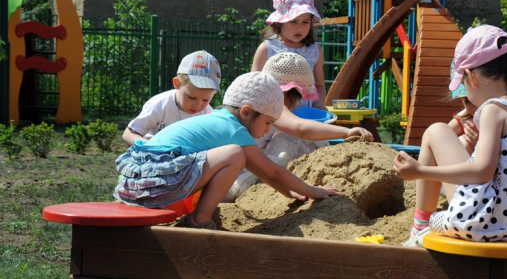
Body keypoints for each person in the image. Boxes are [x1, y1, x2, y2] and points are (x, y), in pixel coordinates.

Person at [393, 25, 507, 247]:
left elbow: (482, 171)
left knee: (436, 131)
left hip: (484, 223)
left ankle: (419, 229)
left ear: (472, 77)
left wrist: (420, 171)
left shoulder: (492, 109)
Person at [114, 71, 340, 229]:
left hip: (138, 180)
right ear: (246, 112)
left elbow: (259, 169)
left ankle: (197, 216)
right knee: (234, 154)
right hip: (157, 178)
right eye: (267, 123)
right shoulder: (234, 130)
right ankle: (199, 220)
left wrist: (288, 193)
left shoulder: (219, 119)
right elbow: (272, 170)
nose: (267, 130)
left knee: (237, 156)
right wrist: (312, 190)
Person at [223, 52, 373, 201]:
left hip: (241, 172)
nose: (295, 105)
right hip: (243, 179)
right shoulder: (270, 105)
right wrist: (346, 132)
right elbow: (300, 128)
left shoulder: (252, 107)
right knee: (298, 139)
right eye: (295, 99)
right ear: (287, 93)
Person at [251, 0, 328, 110]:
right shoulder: (266, 49)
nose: (300, 28)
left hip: (305, 116)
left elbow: (319, 85)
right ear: (279, 22)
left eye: (305, 22)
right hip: (272, 115)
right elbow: (254, 84)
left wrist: (319, 104)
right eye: (293, 21)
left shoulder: (315, 51)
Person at [122, 50, 221, 146]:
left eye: (205, 100)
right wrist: (149, 147)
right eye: (191, 97)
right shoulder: (159, 105)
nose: (198, 105)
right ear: (177, 83)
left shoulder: (206, 112)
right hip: (154, 151)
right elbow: (128, 134)